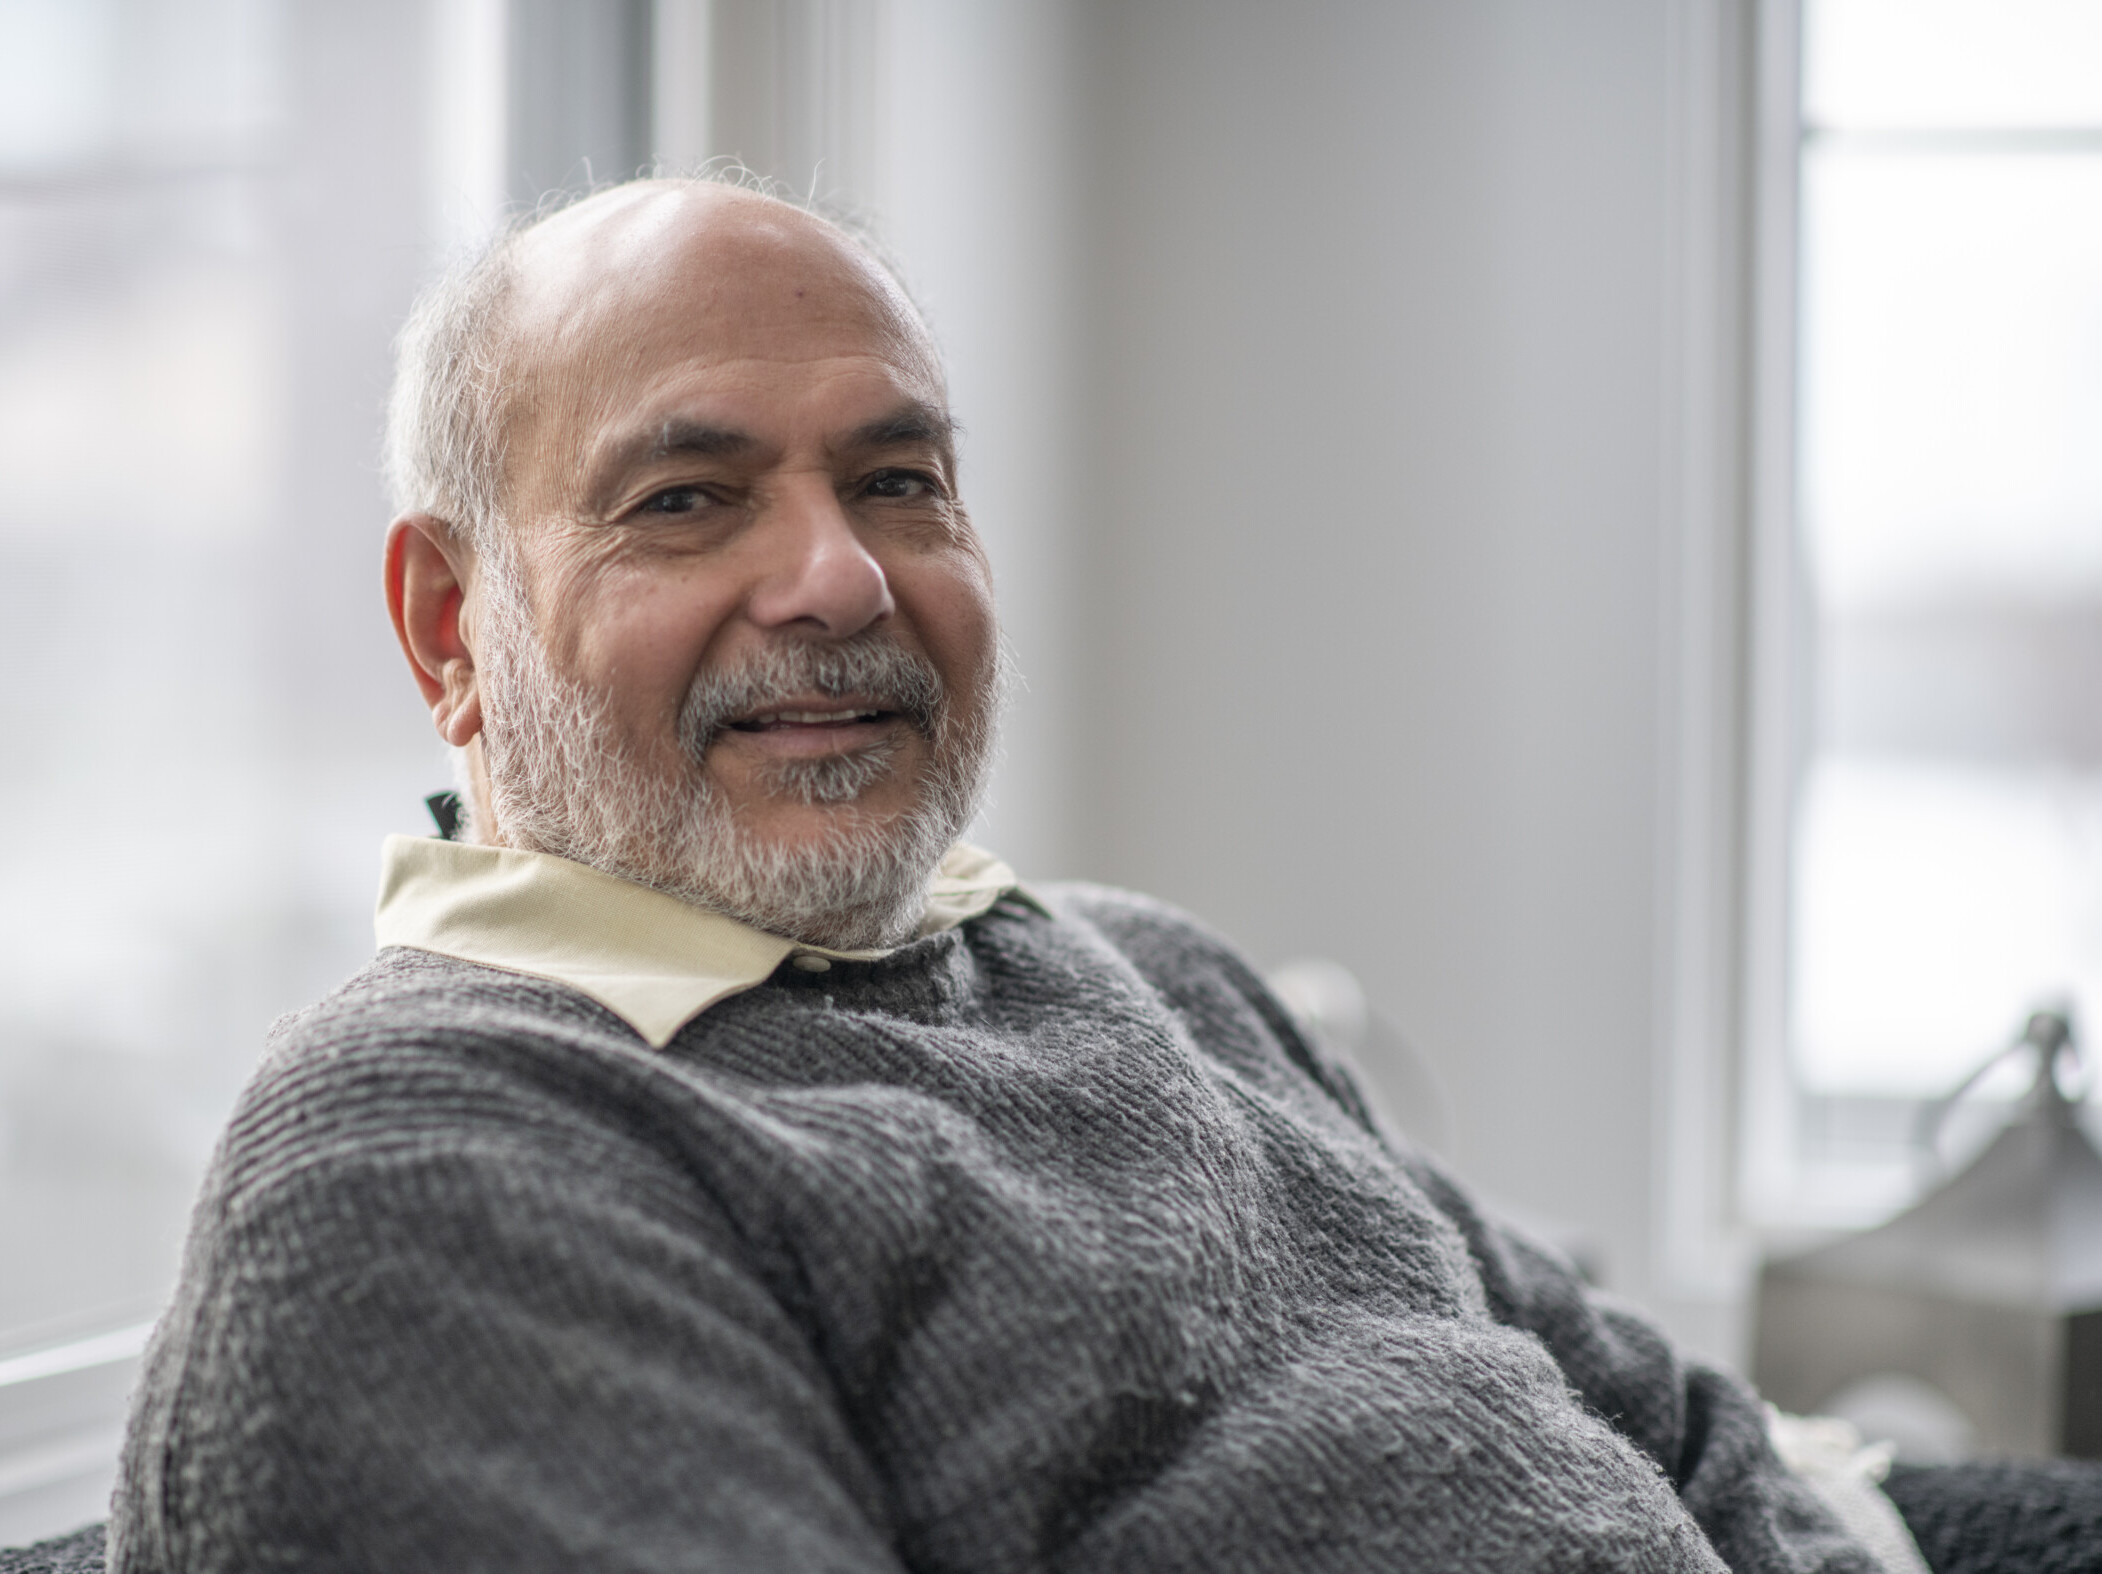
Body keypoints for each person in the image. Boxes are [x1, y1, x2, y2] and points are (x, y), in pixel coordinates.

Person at [109, 177, 1882, 1574]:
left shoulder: (1146, 967)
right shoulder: (435, 1153)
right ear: (449, 630)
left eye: (898, 480)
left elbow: (1683, 1429)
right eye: (685, 499)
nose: (839, 580)